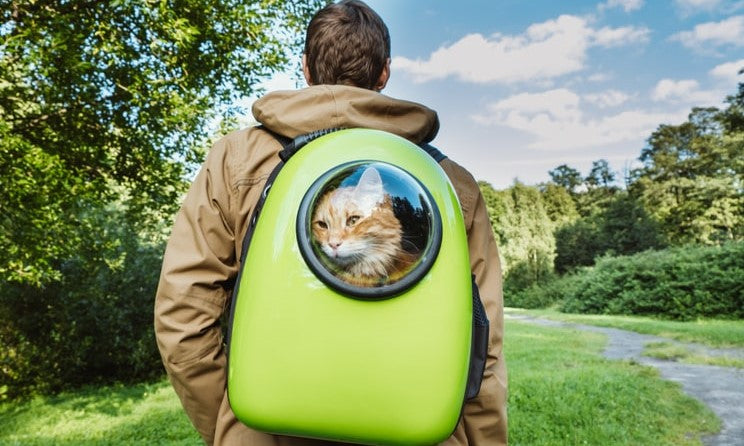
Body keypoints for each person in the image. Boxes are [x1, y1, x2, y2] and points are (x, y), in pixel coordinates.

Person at [154, 1, 507, 444]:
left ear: (305, 68)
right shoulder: (450, 181)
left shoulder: (235, 158)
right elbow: (483, 342)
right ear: (384, 74)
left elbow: (183, 314)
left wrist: (232, 429)